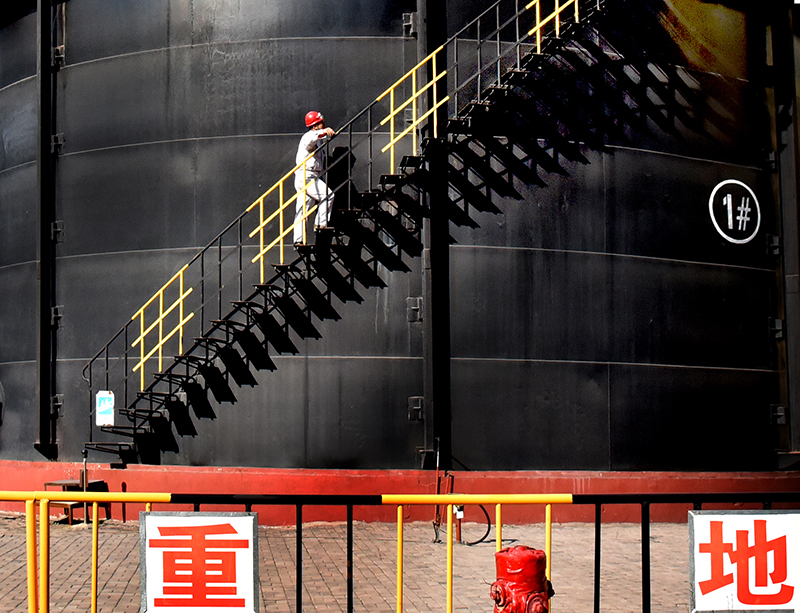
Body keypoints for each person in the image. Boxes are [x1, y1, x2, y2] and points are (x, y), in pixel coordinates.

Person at [294, 111, 335, 245]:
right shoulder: (308, 136)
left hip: (310, 176)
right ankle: (320, 224)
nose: (323, 124)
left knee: (302, 210)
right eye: (321, 122)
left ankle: (298, 240)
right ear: (315, 125)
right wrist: (324, 132)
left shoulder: (318, 140)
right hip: (307, 176)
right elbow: (310, 141)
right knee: (328, 195)